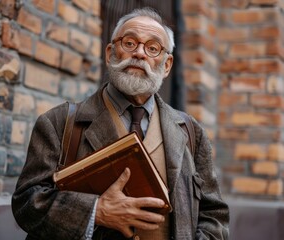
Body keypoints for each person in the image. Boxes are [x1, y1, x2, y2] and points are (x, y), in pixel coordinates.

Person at [12, 7, 229, 240]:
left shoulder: (190, 132)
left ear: (166, 66)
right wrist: (97, 212)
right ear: (109, 53)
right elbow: (26, 204)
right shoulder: (59, 123)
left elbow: (214, 215)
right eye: (129, 43)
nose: (139, 54)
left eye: (153, 48)